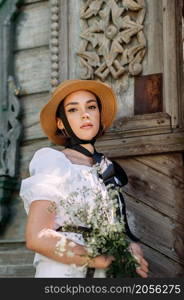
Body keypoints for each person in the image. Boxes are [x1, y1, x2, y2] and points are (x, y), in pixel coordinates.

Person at [20, 79, 149, 278]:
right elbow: (37, 237)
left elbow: (115, 228)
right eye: (73, 110)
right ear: (61, 123)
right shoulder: (53, 161)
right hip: (62, 273)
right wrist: (104, 259)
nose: (85, 114)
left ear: (100, 116)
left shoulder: (106, 169)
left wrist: (131, 249)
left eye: (91, 107)